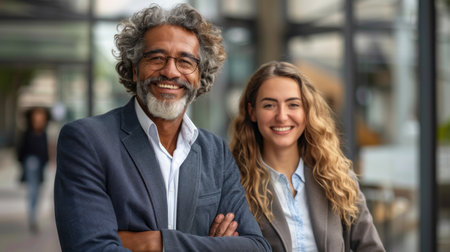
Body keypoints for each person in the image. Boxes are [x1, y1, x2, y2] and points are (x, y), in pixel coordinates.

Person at [54, 3, 270, 252]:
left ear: (199, 77)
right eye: (156, 58)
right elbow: (91, 249)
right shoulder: (87, 141)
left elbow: (256, 247)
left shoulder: (216, 153)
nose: (170, 71)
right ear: (134, 70)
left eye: (185, 62)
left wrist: (154, 243)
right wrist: (213, 246)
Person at [229, 61, 385, 252]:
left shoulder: (336, 177)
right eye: (269, 105)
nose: (282, 116)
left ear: (307, 111)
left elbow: (371, 248)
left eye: (293, 104)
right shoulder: (234, 185)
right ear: (253, 112)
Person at [17, 107, 50, 233]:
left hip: (40, 165)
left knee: (37, 190)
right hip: (31, 163)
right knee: (33, 190)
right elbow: (21, 151)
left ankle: (34, 215)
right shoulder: (28, 133)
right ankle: (32, 216)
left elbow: (45, 152)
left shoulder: (43, 133)